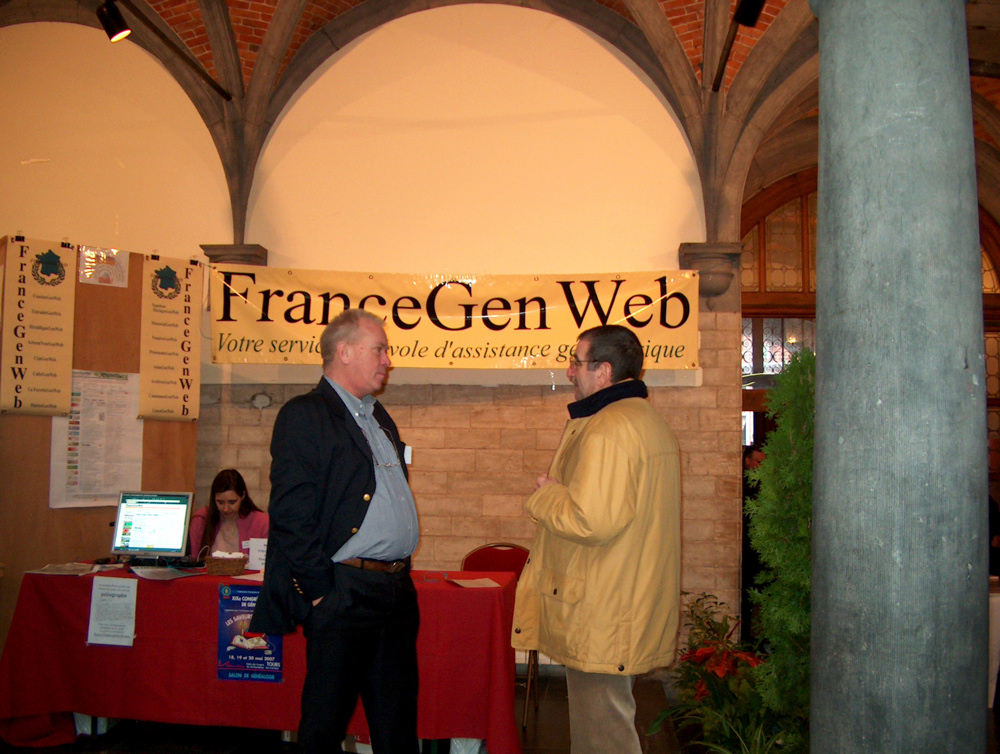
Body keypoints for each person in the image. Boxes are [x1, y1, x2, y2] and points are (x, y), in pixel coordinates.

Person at [249, 308, 419, 754]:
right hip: (345, 593)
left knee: (397, 723)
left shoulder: (378, 416)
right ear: (343, 352)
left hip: (394, 591)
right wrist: (322, 593)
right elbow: (291, 514)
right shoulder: (305, 415)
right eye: (379, 348)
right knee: (324, 725)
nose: (388, 360)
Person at [511, 324, 681, 754]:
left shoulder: (609, 428)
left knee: (602, 735)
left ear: (604, 371)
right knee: (607, 724)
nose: (570, 372)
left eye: (576, 361)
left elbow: (592, 521)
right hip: (621, 599)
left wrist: (546, 496)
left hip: (603, 609)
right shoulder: (644, 421)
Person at [188, 468, 268, 558]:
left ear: (243, 495)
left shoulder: (261, 522)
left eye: (232, 502)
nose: (226, 509)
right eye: (220, 502)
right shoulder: (201, 519)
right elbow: (193, 563)